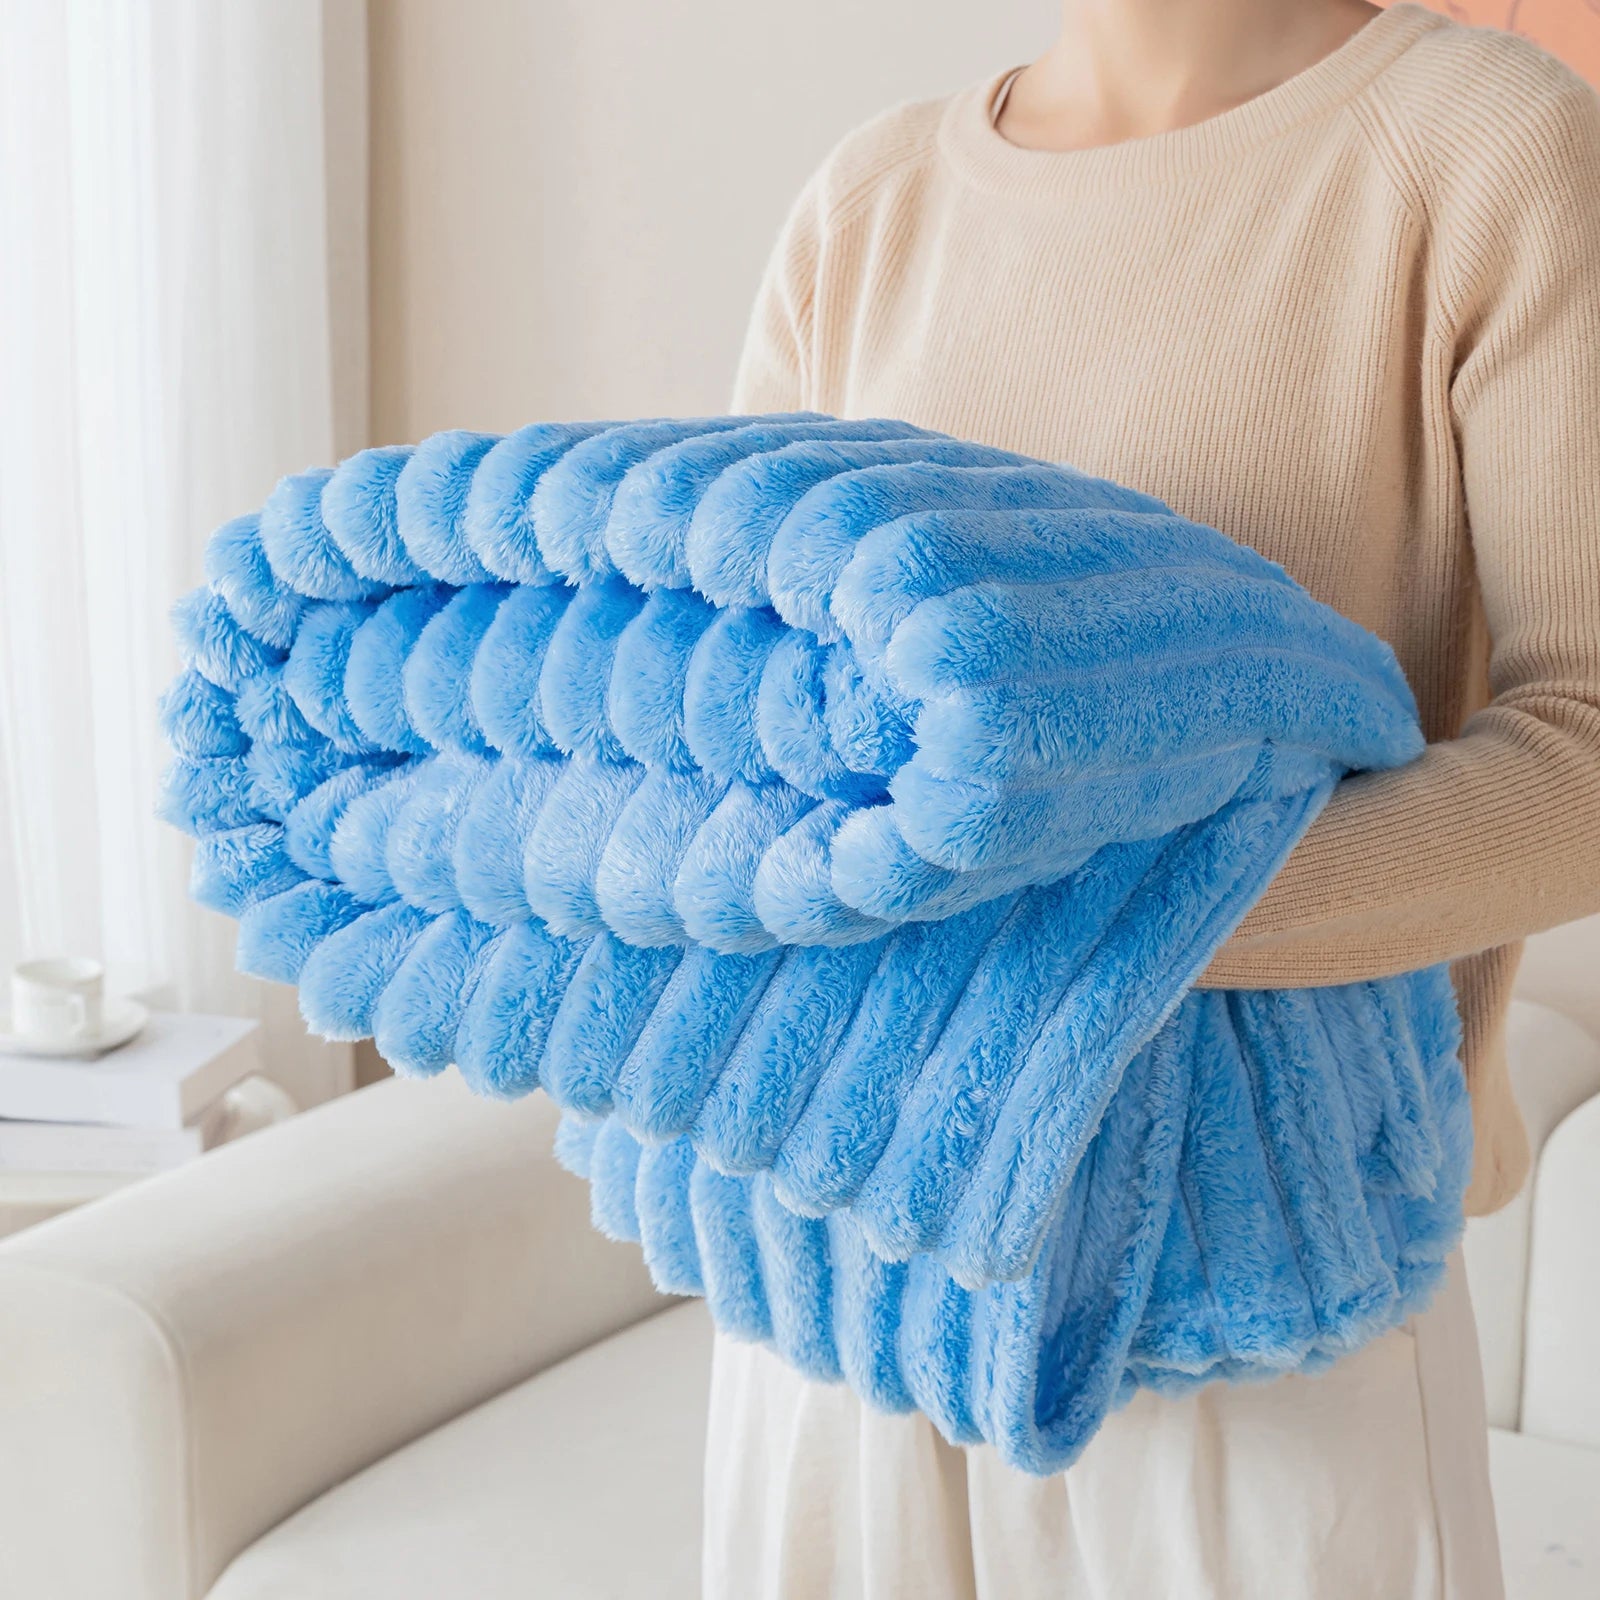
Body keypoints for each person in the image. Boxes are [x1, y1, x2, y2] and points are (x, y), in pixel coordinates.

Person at [706, 2, 1600, 1596]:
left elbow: (1589, 745)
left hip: (1271, 1307)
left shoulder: (1485, 152)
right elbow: (733, 720)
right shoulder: (870, 204)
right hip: (835, 1281)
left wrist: (1079, 913)